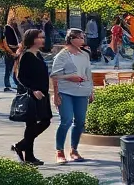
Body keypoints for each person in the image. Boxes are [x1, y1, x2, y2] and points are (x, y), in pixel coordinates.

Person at [51, 28, 93, 164]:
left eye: (83, 37)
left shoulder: (84, 54)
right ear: (71, 39)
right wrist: (57, 93)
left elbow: (88, 73)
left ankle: (74, 150)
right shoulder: (62, 56)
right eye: (80, 37)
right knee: (66, 120)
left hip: (82, 92)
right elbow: (54, 76)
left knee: (80, 121)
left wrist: (91, 90)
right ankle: (59, 151)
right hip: (66, 91)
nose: (82, 40)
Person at [12, 27, 52, 166]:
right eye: (39, 37)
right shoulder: (26, 55)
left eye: (43, 37)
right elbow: (20, 77)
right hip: (32, 94)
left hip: (43, 94)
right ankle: (29, 155)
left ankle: (21, 146)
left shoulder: (38, 54)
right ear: (31, 39)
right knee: (31, 125)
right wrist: (33, 90)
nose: (42, 40)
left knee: (45, 121)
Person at [2, 13, 21, 91]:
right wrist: (12, 51)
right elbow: (7, 41)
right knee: (9, 69)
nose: (15, 21)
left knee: (13, 68)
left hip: (13, 50)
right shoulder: (8, 28)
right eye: (13, 19)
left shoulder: (12, 28)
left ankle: (15, 83)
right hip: (11, 51)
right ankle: (7, 84)